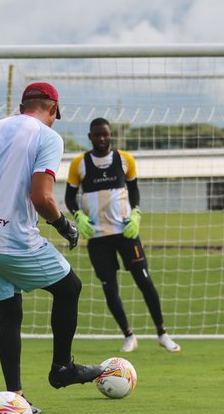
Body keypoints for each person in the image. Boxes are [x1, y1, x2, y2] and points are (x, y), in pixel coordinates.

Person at [0, 81, 105, 412]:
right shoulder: (47, 136)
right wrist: (65, 227)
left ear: (23, 106)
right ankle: (62, 368)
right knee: (70, 288)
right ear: (52, 110)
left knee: (10, 312)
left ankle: (15, 397)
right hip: (12, 240)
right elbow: (42, 197)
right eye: (55, 116)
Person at [65, 118, 181, 353]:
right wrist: (78, 216)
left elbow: (134, 189)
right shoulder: (79, 163)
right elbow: (69, 197)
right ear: (90, 137)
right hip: (97, 237)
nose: (101, 139)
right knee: (110, 287)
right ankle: (128, 335)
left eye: (105, 134)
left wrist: (136, 213)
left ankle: (162, 333)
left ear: (111, 135)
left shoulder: (125, 159)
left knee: (145, 282)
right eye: (96, 135)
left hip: (126, 233)